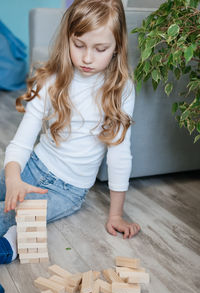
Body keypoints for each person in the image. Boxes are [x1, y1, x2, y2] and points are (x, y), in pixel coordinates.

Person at [0, 0, 141, 264]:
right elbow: (21, 143)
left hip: (67, 191)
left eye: (100, 49)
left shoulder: (122, 90)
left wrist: (116, 215)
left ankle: (11, 242)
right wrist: (13, 179)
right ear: (68, 40)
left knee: (11, 219)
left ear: (116, 48)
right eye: (79, 45)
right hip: (32, 166)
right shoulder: (51, 80)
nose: (87, 58)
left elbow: (120, 155)